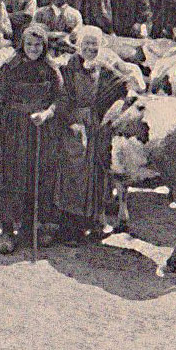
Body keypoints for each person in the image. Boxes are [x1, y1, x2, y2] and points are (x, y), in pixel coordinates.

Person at [0, 23, 63, 254]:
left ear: (44, 46)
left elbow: (61, 98)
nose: (34, 49)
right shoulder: (11, 67)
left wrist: (47, 113)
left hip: (40, 129)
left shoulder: (51, 68)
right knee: (11, 177)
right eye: (29, 44)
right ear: (22, 45)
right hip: (14, 128)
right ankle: (7, 229)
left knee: (36, 176)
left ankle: (29, 227)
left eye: (38, 45)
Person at [54, 27, 131, 245]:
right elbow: (61, 96)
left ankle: (95, 220)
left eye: (94, 44)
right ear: (78, 46)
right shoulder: (67, 68)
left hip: (95, 127)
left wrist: (119, 104)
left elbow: (124, 84)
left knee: (97, 173)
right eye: (86, 44)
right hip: (73, 127)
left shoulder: (103, 69)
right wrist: (72, 119)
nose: (90, 48)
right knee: (73, 173)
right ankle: (71, 227)